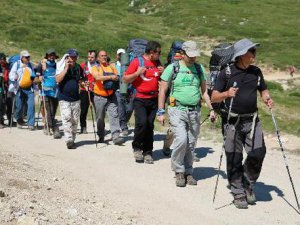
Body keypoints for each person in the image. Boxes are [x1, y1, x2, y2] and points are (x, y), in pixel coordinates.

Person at [211, 38, 273, 209]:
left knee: (258, 152)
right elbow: (214, 96)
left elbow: (263, 89)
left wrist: (266, 97)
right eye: (252, 50)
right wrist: (227, 94)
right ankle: (238, 191)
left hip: (252, 120)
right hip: (232, 121)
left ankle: (247, 182)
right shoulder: (227, 73)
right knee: (234, 156)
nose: (254, 53)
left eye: (254, 50)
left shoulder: (256, 72)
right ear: (242, 54)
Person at [157, 40, 216, 187]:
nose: (193, 58)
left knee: (191, 143)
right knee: (181, 140)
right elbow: (162, 90)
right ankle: (178, 171)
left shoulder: (199, 68)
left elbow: (204, 92)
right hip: (177, 109)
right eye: (190, 55)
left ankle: (188, 172)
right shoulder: (172, 68)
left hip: (194, 111)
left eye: (195, 55)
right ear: (182, 54)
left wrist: (211, 109)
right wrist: (160, 111)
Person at [124, 41, 164, 164]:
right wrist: (137, 73)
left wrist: (163, 71)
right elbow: (125, 79)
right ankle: (137, 148)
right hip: (140, 98)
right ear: (152, 53)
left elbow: (160, 80)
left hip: (153, 99)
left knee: (150, 125)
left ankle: (148, 152)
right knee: (141, 123)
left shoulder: (157, 63)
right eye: (159, 52)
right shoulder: (137, 62)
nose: (160, 55)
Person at [90, 50, 124, 145]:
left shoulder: (112, 66)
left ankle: (116, 136)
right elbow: (97, 78)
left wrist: (116, 77)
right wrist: (110, 77)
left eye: (105, 55)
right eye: (102, 56)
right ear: (98, 58)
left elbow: (117, 76)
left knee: (114, 115)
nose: (104, 57)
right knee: (100, 118)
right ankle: (101, 134)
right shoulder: (95, 67)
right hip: (99, 96)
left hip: (111, 96)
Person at [56, 49, 84, 149]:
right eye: (71, 57)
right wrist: (66, 68)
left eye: (75, 57)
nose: (73, 59)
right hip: (64, 97)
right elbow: (58, 79)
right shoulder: (61, 66)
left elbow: (81, 80)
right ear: (67, 57)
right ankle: (68, 139)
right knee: (67, 117)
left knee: (75, 120)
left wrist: (84, 84)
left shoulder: (78, 67)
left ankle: (73, 138)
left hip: (76, 97)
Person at [36, 49, 61, 138]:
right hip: (45, 90)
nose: (51, 56)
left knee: (53, 110)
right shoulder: (42, 64)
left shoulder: (57, 64)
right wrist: (40, 77)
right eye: (50, 55)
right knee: (48, 109)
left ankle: (48, 124)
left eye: (53, 55)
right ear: (47, 56)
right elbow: (37, 75)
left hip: (55, 91)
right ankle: (53, 128)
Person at [9, 50, 36, 130]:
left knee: (31, 106)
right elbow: (11, 74)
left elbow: (33, 75)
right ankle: (19, 120)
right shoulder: (16, 64)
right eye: (26, 57)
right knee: (19, 107)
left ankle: (31, 124)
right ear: (22, 57)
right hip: (19, 88)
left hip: (29, 89)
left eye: (29, 57)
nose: (28, 58)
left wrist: (34, 79)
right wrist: (14, 77)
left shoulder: (30, 65)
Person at [114, 48, 134, 136]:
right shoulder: (113, 66)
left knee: (129, 109)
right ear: (117, 56)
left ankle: (123, 123)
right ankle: (124, 127)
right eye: (119, 54)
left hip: (128, 90)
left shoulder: (129, 65)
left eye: (123, 54)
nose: (121, 56)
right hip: (117, 91)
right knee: (121, 110)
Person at [79, 50, 97, 134]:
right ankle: (83, 127)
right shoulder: (83, 65)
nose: (90, 59)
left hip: (96, 90)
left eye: (92, 57)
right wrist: (83, 84)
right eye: (88, 57)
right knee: (83, 110)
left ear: (96, 58)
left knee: (99, 110)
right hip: (84, 90)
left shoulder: (98, 66)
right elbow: (79, 78)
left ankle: (100, 128)